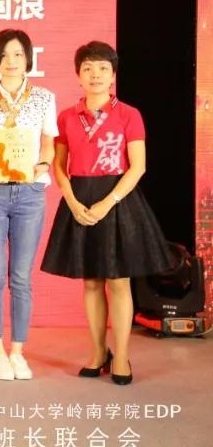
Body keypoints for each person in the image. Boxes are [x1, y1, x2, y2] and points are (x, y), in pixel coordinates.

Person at [41, 41, 175, 385]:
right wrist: (72, 201)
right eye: (88, 68)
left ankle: (123, 356)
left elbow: (138, 166)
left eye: (103, 68)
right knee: (90, 281)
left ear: (113, 75)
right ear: (78, 75)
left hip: (118, 199)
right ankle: (99, 352)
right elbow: (59, 166)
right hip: (80, 198)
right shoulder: (66, 117)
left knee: (118, 280)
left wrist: (107, 202)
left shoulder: (129, 114)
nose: (95, 75)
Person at [0, 29, 56, 381]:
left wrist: (43, 165)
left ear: (28, 59)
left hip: (30, 194)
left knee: (21, 277)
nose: (11, 61)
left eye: (18, 54)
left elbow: (49, 144)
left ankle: (18, 352)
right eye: (4, 54)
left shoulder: (44, 98)